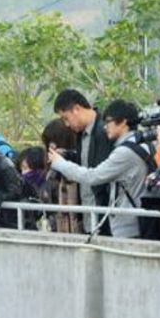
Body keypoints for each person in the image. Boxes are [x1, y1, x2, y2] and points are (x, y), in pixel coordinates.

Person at [46, 100, 151, 239]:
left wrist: (60, 163)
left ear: (123, 122)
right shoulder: (140, 144)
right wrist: (69, 155)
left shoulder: (124, 152)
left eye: (108, 122)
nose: (105, 127)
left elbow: (92, 177)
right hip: (136, 221)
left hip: (129, 225)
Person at [53, 89, 113, 230]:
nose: (66, 124)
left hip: (104, 215)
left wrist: (62, 165)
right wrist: (68, 156)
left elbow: (98, 173)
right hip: (88, 214)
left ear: (77, 109)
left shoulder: (104, 130)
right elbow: (86, 162)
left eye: (65, 118)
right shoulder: (82, 133)